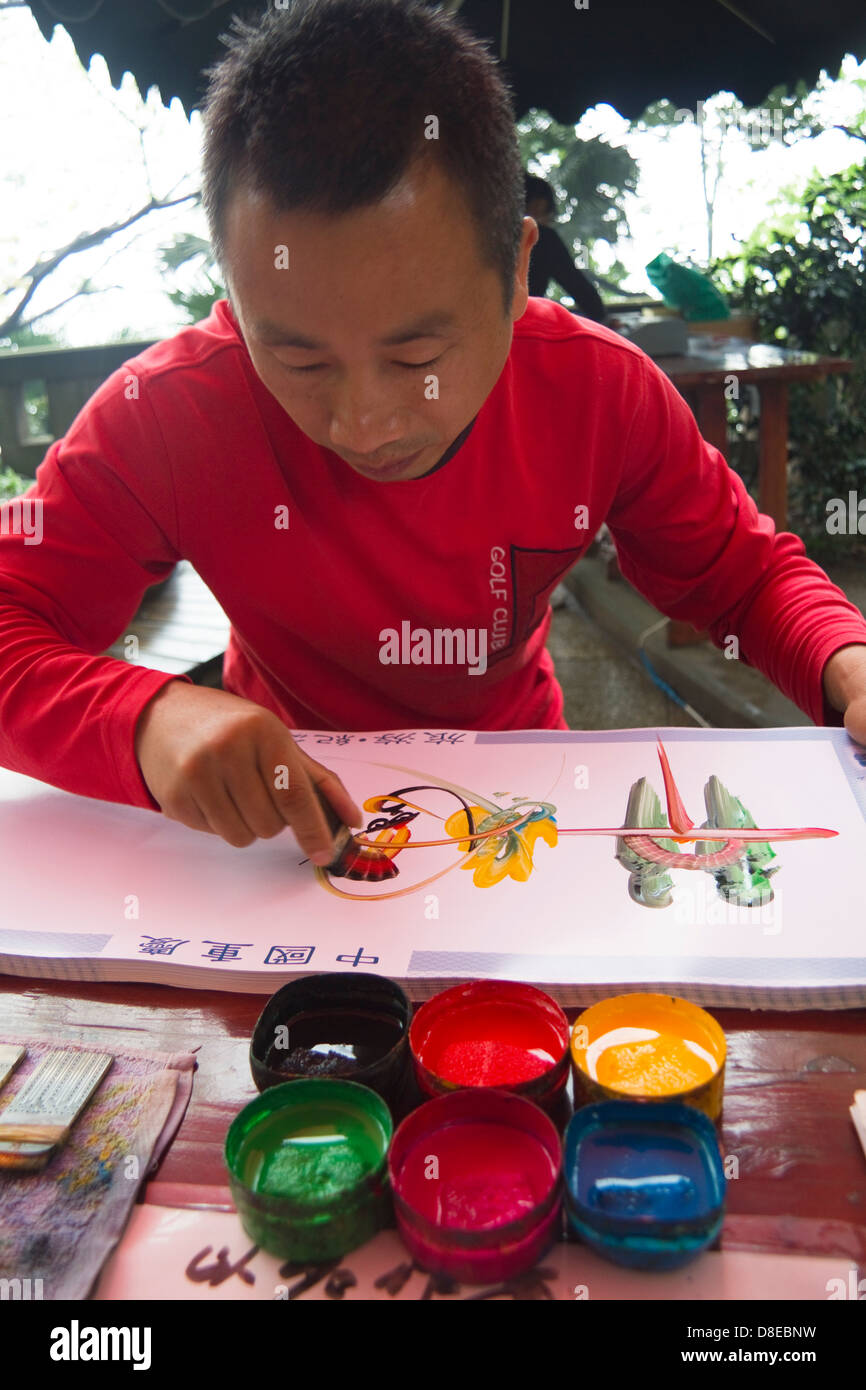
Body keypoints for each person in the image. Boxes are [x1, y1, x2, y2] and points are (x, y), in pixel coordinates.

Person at [1, 0, 866, 872]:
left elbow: (743, 578)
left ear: (519, 269)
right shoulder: (170, 411)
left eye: (417, 354)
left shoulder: (598, 392)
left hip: (519, 807)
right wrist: (145, 719)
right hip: (280, 830)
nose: (364, 424)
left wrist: (846, 663)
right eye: (298, 361)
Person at [524, 173, 606, 322]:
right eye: (548, 216)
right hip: (523, 326)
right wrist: (602, 319)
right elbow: (575, 283)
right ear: (539, 205)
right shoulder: (542, 238)